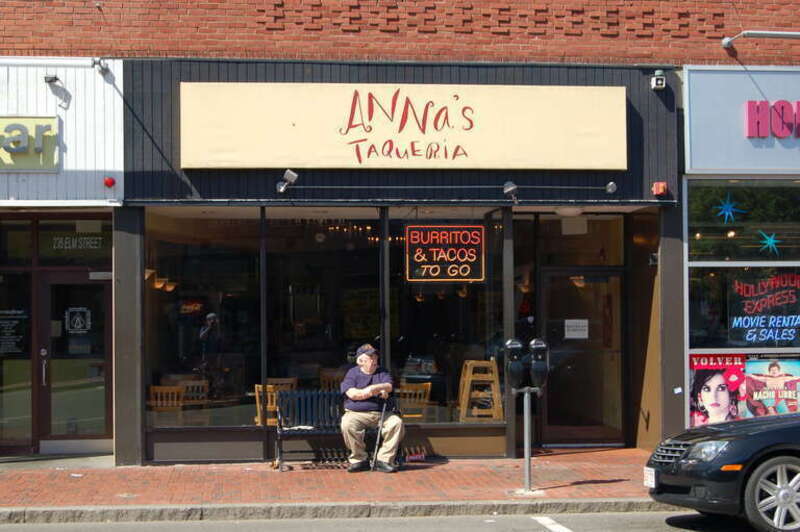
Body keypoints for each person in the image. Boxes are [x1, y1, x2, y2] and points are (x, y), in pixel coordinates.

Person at [340, 343, 404, 473]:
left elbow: (389, 386)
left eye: (375, 357)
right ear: (361, 361)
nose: (374, 361)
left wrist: (372, 388)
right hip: (356, 413)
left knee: (396, 423)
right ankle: (359, 460)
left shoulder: (382, 372)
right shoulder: (352, 373)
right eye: (371, 358)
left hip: (381, 413)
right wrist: (374, 391)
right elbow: (352, 394)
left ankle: (384, 460)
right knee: (347, 423)